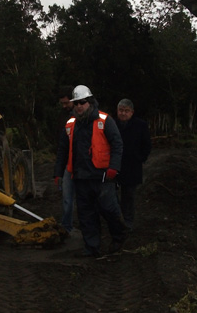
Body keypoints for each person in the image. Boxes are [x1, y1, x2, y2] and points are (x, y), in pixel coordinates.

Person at [54, 85, 128, 257]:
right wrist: (58, 172)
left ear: (90, 101)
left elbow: (117, 144)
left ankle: (119, 236)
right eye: (76, 103)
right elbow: (63, 150)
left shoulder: (104, 120)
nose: (79, 106)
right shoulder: (71, 124)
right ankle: (92, 247)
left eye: (83, 102)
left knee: (109, 209)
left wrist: (113, 168)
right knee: (86, 215)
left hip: (102, 177)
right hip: (80, 178)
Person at [115, 98, 151, 230]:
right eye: (121, 110)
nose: (123, 113)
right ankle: (115, 220)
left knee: (128, 195)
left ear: (132, 112)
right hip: (114, 166)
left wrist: (140, 158)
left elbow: (147, 145)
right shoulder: (112, 124)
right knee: (111, 195)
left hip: (132, 166)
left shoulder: (140, 125)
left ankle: (128, 221)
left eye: (126, 111)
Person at [55, 86, 76, 233]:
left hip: (85, 165)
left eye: (66, 103)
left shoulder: (86, 116)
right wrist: (58, 172)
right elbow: (62, 147)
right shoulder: (64, 118)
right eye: (61, 103)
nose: (64, 106)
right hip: (68, 165)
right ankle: (67, 226)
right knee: (67, 198)